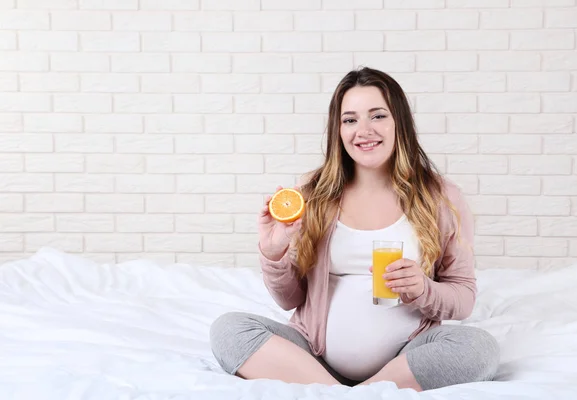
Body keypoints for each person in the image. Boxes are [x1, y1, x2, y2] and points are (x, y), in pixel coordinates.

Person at [209, 67, 500, 391]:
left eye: (377, 116)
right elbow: (290, 300)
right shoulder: (314, 193)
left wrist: (423, 289)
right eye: (350, 119)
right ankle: (359, 394)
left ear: (398, 122)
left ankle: (346, 394)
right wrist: (274, 252)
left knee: (480, 348)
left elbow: (463, 298)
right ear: (338, 129)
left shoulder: (441, 197)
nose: (363, 130)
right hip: (315, 356)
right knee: (228, 330)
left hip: (408, 355)